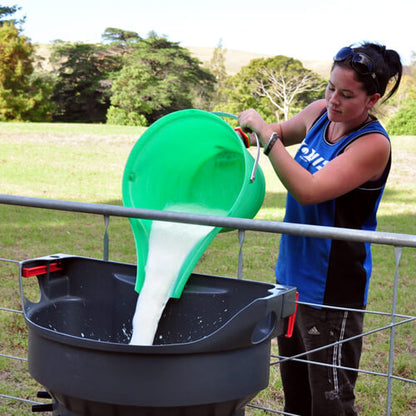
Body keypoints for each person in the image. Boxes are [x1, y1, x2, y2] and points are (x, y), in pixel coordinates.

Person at [237, 42, 402, 416]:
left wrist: (266, 135)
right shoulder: (319, 114)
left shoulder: (371, 145)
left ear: (372, 99)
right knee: (296, 400)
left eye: (346, 95)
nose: (333, 100)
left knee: (330, 404)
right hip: (291, 279)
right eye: (330, 88)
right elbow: (277, 131)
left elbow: (308, 190)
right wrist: (235, 136)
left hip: (332, 291)